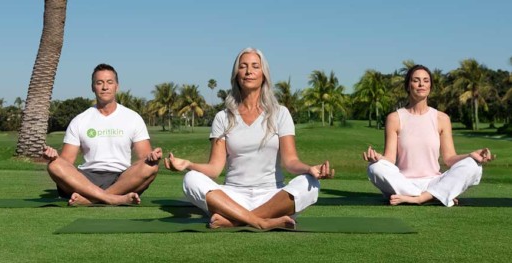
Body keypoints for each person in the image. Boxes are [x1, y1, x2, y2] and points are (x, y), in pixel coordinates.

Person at [164, 47, 334, 229]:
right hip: (233, 197)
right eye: (243, 66)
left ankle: (235, 220)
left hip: (272, 196)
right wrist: (188, 164)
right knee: (191, 179)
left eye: (255, 66)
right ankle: (260, 222)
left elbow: (291, 162)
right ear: (236, 74)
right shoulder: (223, 117)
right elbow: (214, 169)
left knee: (310, 183)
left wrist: (310, 169)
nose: (249, 71)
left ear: (264, 74)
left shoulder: (280, 114)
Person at [363, 64, 494, 207]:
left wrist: (471, 155)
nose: (421, 84)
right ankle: (436, 195)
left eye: (426, 80)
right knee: (374, 168)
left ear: (430, 86)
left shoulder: (442, 118)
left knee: (474, 166)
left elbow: (449, 159)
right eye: (416, 80)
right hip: (404, 182)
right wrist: (377, 158)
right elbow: (389, 159)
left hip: (434, 182)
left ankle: (420, 197)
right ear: (408, 86)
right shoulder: (394, 118)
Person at [43, 63, 162, 206]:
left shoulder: (133, 118)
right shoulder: (80, 120)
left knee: (151, 167)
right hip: (85, 179)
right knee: (54, 166)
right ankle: (112, 199)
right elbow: (67, 160)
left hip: (122, 179)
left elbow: (144, 157)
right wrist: (54, 157)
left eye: (109, 82)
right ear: (93, 87)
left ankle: (90, 200)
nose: (105, 87)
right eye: (99, 83)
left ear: (116, 86)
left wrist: (152, 156)